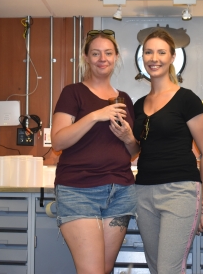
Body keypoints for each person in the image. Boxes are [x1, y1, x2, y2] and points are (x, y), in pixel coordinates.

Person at [51, 29, 140, 274]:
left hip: (121, 192)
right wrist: (95, 115)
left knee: (104, 269)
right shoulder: (73, 93)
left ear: (116, 57)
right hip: (79, 191)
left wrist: (129, 137)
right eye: (96, 53)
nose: (103, 58)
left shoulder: (124, 99)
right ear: (86, 58)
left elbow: (133, 151)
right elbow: (58, 141)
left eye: (108, 53)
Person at [132, 29, 203, 274]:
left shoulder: (187, 99)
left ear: (172, 57)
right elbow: (137, 147)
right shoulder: (138, 105)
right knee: (156, 268)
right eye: (148, 52)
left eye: (160, 52)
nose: (153, 58)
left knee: (169, 270)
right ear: (142, 57)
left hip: (180, 191)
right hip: (143, 192)